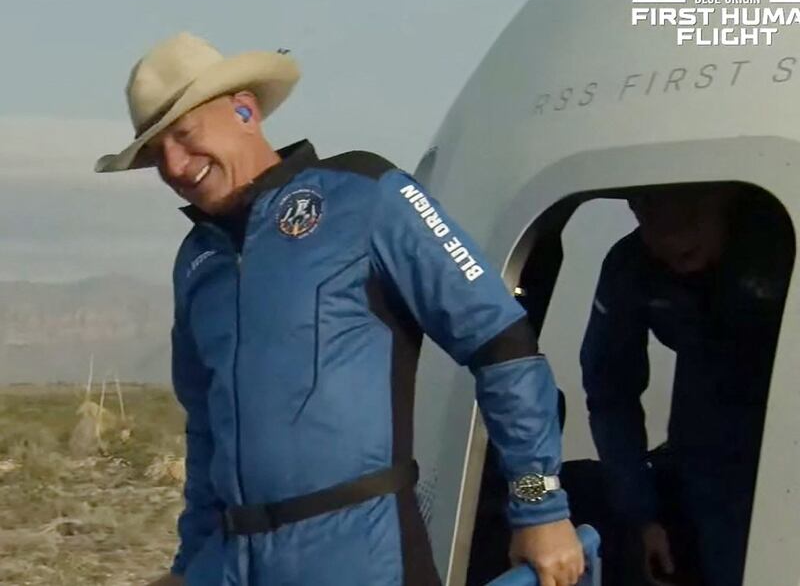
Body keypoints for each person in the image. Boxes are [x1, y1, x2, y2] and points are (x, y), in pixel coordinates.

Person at [94, 32, 585, 586]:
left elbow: (501, 343)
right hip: (235, 563)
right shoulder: (197, 260)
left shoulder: (365, 196)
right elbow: (207, 429)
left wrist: (540, 506)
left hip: (361, 554)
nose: (176, 166)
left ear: (244, 110)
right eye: (157, 154)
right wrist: (189, 566)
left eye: (184, 135)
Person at [580, 185, 794, 586]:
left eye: (687, 210)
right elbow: (610, 393)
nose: (668, 233)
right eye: (645, 207)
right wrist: (641, 515)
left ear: (723, 197)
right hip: (711, 471)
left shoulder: (782, 244)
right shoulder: (632, 268)